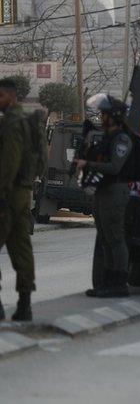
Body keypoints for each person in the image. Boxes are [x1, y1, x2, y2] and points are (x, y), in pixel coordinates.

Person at [74, 94, 136, 298]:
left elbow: (115, 166)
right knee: (104, 237)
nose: (101, 117)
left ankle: (119, 282)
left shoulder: (122, 139)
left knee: (116, 238)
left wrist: (89, 164)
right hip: (102, 191)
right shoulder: (107, 137)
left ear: (114, 116)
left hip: (115, 192)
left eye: (104, 114)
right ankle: (107, 281)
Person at [0, 78, 36, 321]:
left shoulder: (12, 124)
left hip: (8, 193)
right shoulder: (27, 121)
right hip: (23, 193)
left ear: (11, 96)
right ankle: (25, 305)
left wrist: (1, 197)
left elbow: (8, 164)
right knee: (21, 248)